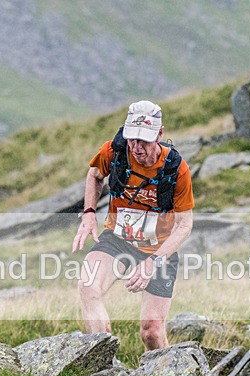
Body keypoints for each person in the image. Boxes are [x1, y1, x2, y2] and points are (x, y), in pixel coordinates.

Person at [72, 100, 194, 350]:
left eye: (145, 140)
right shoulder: (114, 152)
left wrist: (154, 261)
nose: (137, 148)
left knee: (152, 332)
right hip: (117, 239)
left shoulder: (176, 169)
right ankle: (100, 362)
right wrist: (88, 213)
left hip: (158, 250)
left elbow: (184, 225)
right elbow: (94, 175)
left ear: (159, 134)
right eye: (132, 139)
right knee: (88, 286)